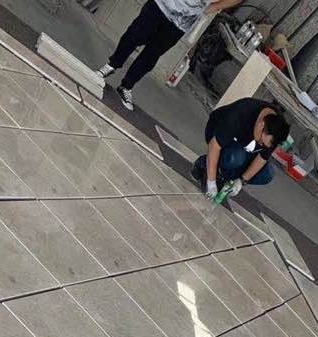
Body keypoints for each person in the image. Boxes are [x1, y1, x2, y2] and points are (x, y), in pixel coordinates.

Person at [99, 0, 242, 111]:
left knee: (152, 53)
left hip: (182, 20)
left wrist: (215, 6)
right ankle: (111, 65)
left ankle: (127, 86)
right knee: (134, 34)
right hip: (161, 4)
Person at [191, 97, 289, 198]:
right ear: (261, 125)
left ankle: (223, 175)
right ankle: (205, 164)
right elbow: (214, 145)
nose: (261, 145)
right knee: (236, 158)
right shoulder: (242, 113)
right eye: (261, 141)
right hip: (217, 135)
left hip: (244, 145)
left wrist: (241, 181)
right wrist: (211, 182)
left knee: (267, 174)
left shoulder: (276, 130)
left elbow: (262, 158)